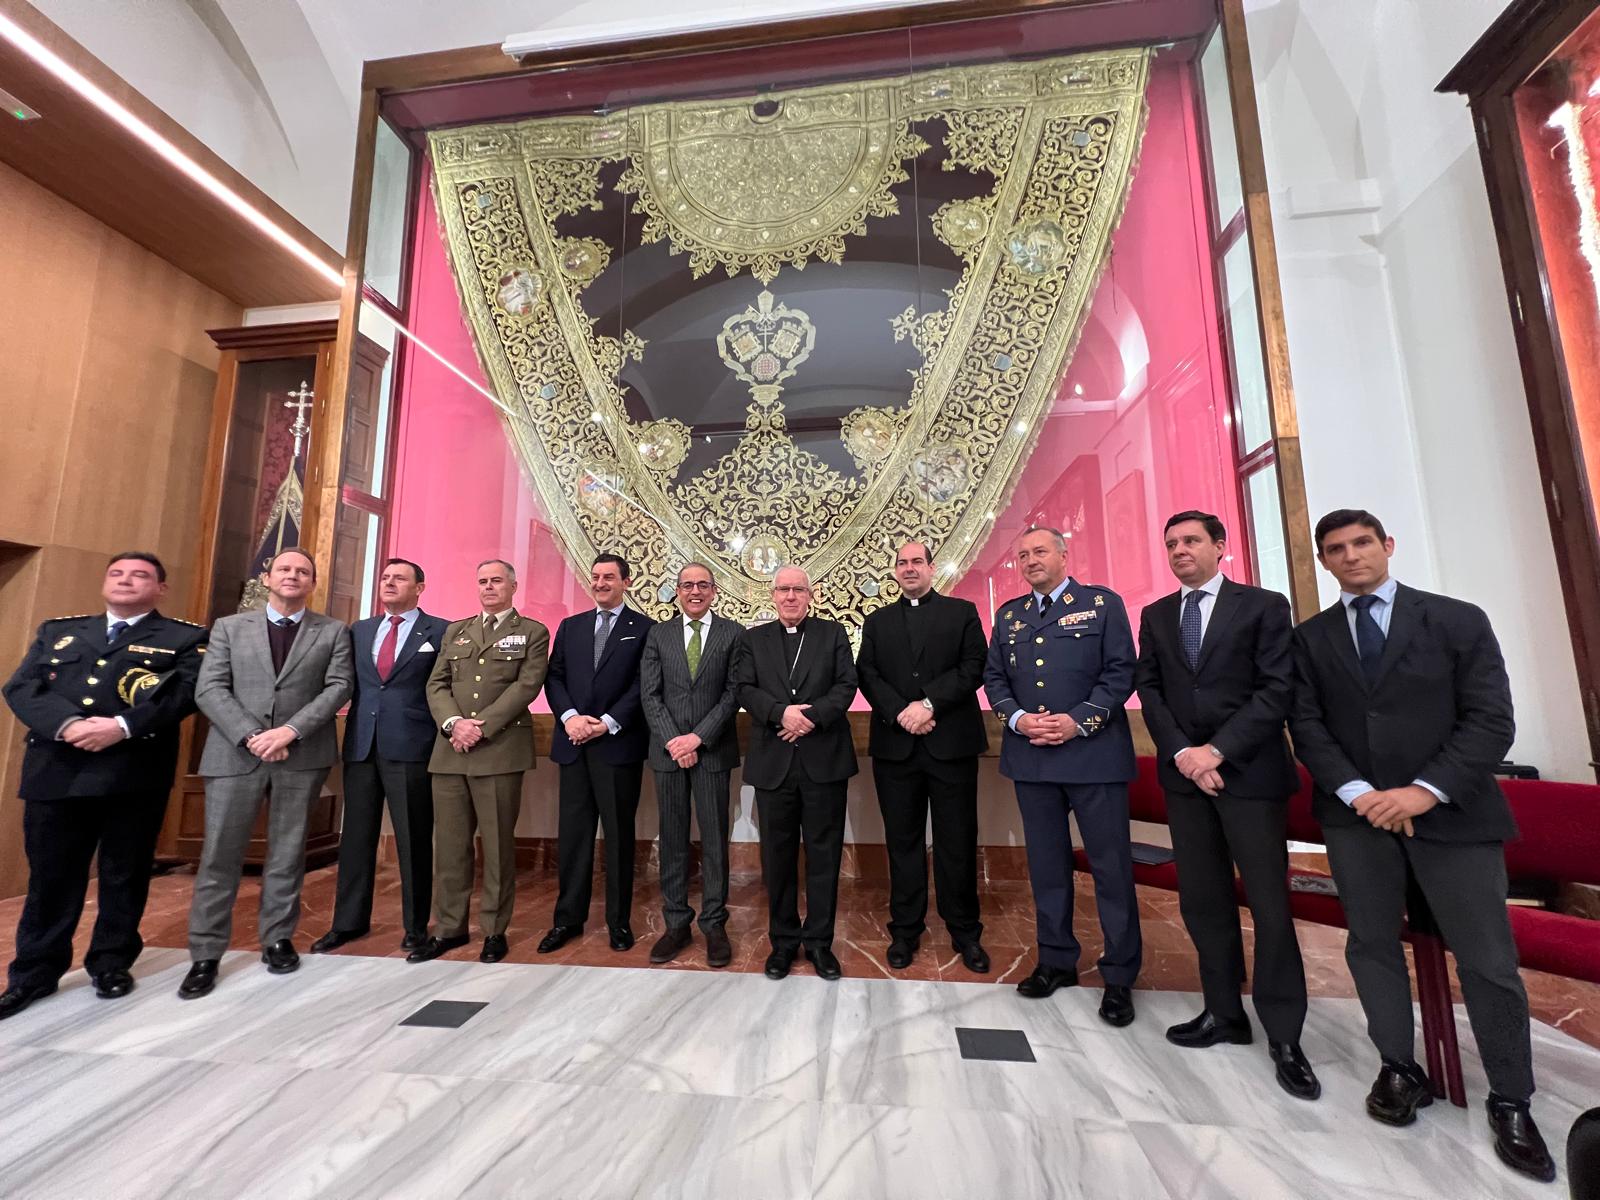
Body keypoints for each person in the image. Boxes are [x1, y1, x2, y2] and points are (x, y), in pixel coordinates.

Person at [1290, 508, 1554, 1183]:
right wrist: (1359, 794)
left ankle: (1510, 1098)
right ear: (1323, 562)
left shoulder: (1455, 619)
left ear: (1387, 546)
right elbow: (1309, 725)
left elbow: (1491, 718)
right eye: (1336, 550)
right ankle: (1399, 1067)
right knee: (1371, 945)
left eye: (1361, 543)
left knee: (1489, 961)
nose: (1350, 557)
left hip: (1452, 816)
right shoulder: (1312, 638)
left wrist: (1423, 791)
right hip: (1357, 820)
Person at [1134, 511, 1318, 1100]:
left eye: (1190, 541)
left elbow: (1275, 689)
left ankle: (1285, 1034)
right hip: (1187, 779)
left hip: (1249, 776)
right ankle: (1223, 1012)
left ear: (1220, 546)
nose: (1180, 551)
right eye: (1171, 544)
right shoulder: (1158, 615)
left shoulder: (1263, 607)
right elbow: (1152, 690)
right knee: (1204, 899)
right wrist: (1186, 754)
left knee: (1269, 904)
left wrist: (1217, 751)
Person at [0, 553, 206, 1019]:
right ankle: (33, 973)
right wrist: (69, 724)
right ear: (104, 583)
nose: (126, 581)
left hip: (131, 772)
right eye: (117, 574)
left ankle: (111, 963)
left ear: (160, 588)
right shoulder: (59, 631)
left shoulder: (184, 637)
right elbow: (22, 688)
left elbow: (183, 694)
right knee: (51, 879)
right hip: (57, 769)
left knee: (124, 874)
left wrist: (122, 726)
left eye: (140, 575)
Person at [179, 548, 354, 999]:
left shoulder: (332, 631)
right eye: (285, 569)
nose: (293, 576)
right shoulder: (229, 628)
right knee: (219, 855)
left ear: (312, 583)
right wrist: (253, 734)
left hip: (301, 754)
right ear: (268, 577)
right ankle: (205, 953)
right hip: (235, 754)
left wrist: (290, 731)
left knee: (288, 852)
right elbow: (210, 687)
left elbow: (339, 686)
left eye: (303, 571)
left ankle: (277, 939)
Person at [983, 526, 1140, 1026]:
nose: (1030, 560)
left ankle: (1119, 975)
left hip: (1093, 755)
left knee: (1111, 868)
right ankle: (1055, 960)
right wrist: (1016, 718)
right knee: (1047, 867)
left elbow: (1120, 671)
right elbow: (995, 677)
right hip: (1033, 756)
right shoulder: (1010, 616)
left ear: (1064, 555)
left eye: (1040, 551)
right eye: (1023, 554)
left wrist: (1078, 720)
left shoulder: (1101, 604)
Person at [856, 541, 990, 973]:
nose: (909, 568)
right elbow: (867, 674)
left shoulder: (962, 613)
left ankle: (965, 931)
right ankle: (906, 930)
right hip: (896, 748)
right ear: (894, 572)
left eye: (917, 561)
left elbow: (974, 667)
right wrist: (901, 712)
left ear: (932, 568)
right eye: (902, 563)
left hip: (950, 744)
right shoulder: (876, 621)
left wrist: (928, 705)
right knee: (903, 843)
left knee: (957, 841)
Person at [410, 558, 548, 965]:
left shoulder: (532, 632)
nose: (489, 588)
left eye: (496, 581)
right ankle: (450, 928)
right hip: (451, 752)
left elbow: (526, 686)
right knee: (450, 849)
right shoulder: (457, 631)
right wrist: (454, 724)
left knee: (499, 848)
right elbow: (437, 683)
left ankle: (493, 931)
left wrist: (479, 728)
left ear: (513, 586)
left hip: (499, 752)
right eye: (483, 582)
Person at [310, 558, 446, 955]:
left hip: (411, 746)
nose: (389, 583)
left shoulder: (440, 630)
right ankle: (348, 922)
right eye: (385, 577)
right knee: (355, 837)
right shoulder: (361, 630)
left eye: (399, 578)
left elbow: (443, 685)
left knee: (413, 838)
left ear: (419, 587)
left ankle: (415, 926)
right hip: (362, 744)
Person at [734, 566, 858, 982]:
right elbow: (745, 688)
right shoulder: (753, 640)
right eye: (783, 589)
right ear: (773, 595)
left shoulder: (833, 633)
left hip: (823, 760)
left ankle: (820, 943)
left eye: (798, 589)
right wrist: (779, 713)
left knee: (824, 856)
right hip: (774, 764)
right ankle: (783, 942)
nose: (790, 596)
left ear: (811, 593)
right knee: (778, 858)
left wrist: (810, 718)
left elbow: (846, 685)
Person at [538, 554, 656, 954]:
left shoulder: (644, 629)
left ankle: (618, 923)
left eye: (609, 577)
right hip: (573, 744)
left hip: (616, 746)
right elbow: (553, 677)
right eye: (596, 577)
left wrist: (606, 722)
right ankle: (567, 920)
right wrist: (570, 717)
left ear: (626, 581)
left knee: (620, 838)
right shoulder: (571, 627)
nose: (601, 583)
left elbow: (643, 684)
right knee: (573, 837)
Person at [638, 563, 743, 967]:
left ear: (714, 591)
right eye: (687, 585)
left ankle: (714, 923)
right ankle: (676, 923)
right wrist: (675, 741)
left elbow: (733, 693)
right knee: (674, 838)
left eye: (702, 585)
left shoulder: (733, 633)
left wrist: (698, 738)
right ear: (677, 591)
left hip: (713, 750)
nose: (694, 591)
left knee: (715, 840)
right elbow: (650, 694)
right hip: (668, 752)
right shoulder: (658, 634)